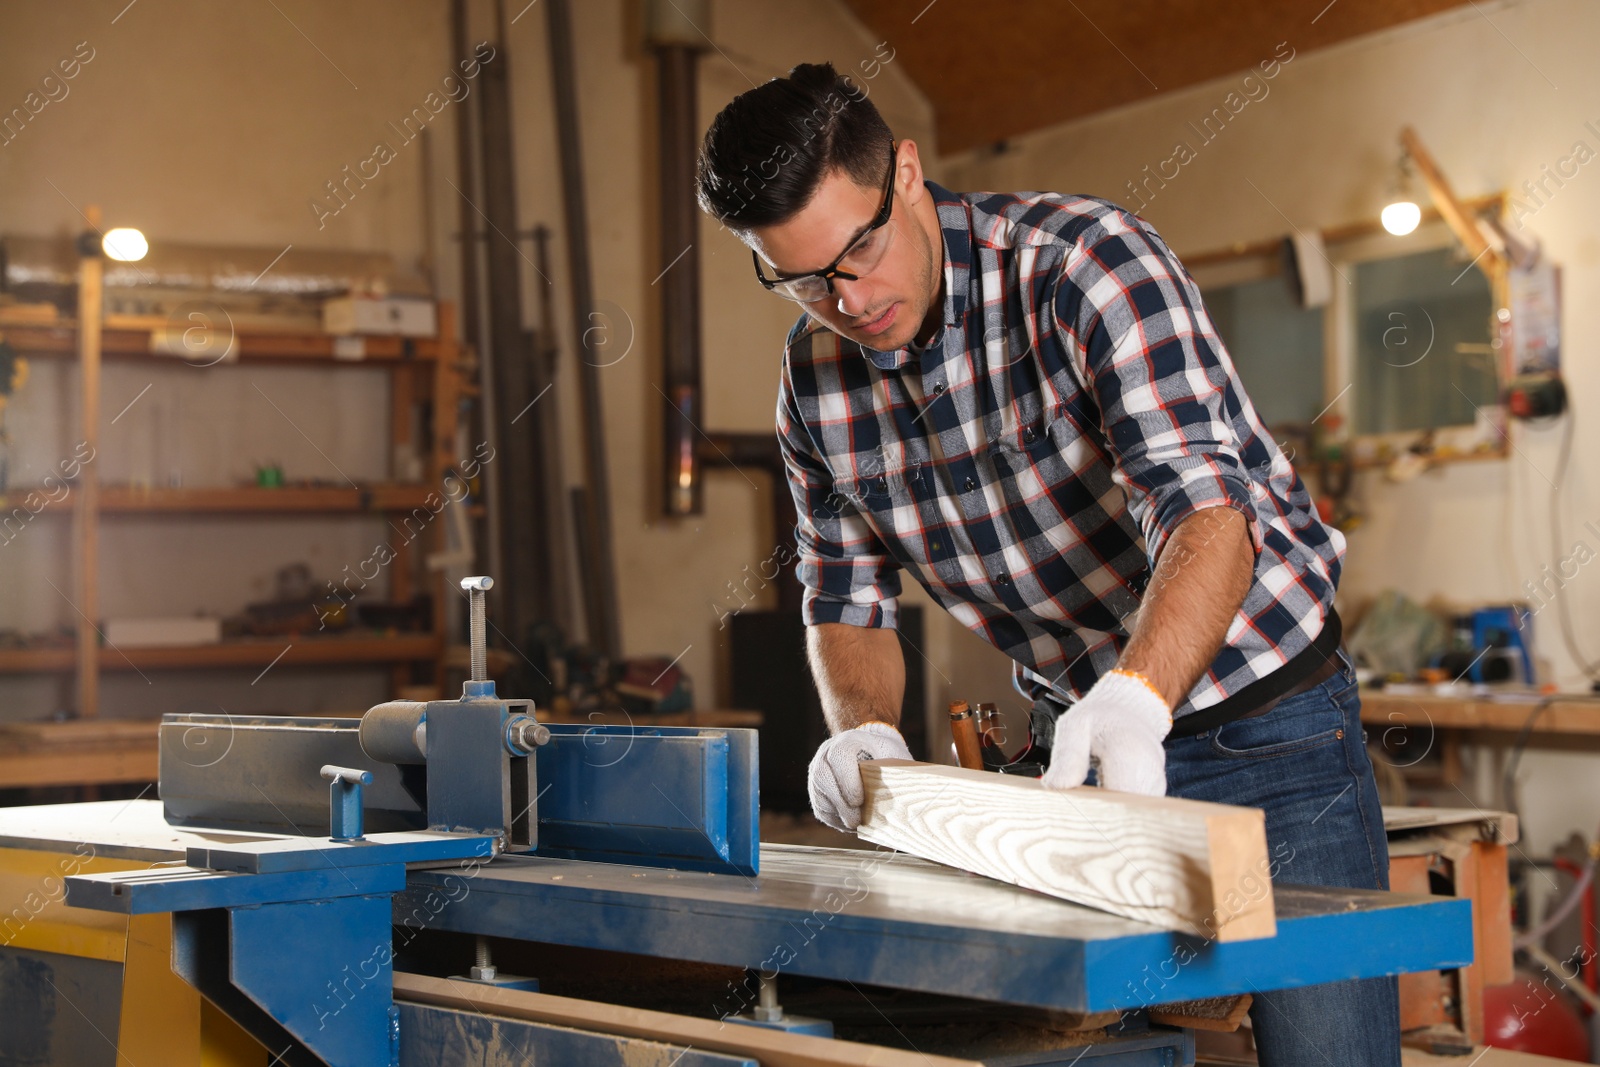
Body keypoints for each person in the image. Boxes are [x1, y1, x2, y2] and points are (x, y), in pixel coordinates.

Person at [695, 61, 1397, 1066]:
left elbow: (1204, 511)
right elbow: (846, 594)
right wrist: (867, 735)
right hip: (1079, 758)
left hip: (1264, 728)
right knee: (1086, 1046)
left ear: (905, 171)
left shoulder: (1081, 266)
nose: (846, 300)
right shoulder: (814, 386)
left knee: (1326, 1051)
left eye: (858, 250)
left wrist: (1138, 695)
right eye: (802, 278)